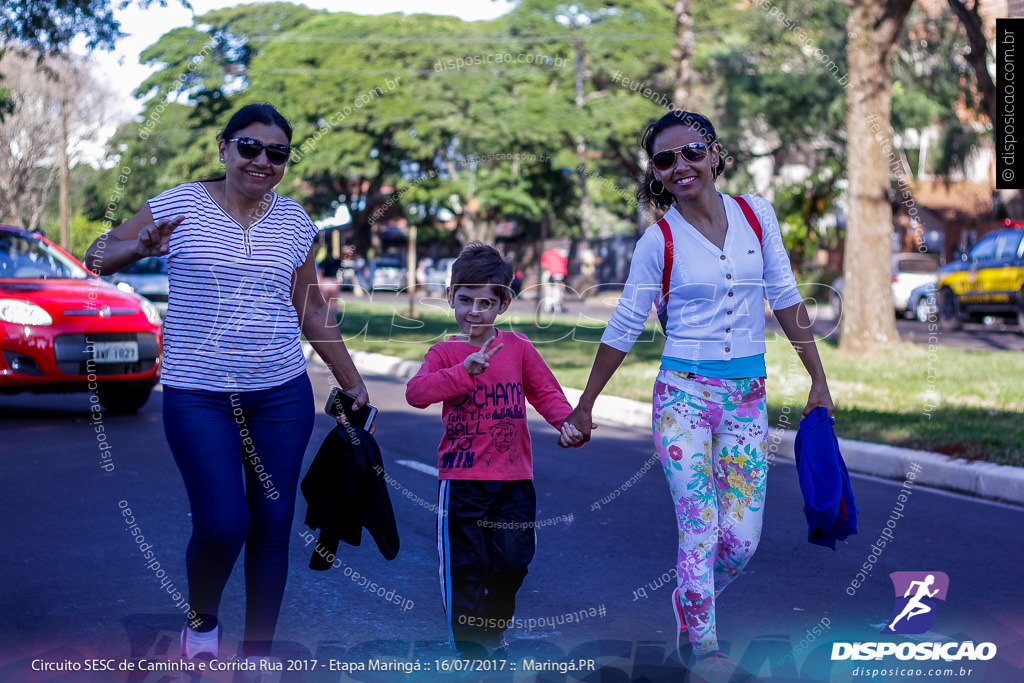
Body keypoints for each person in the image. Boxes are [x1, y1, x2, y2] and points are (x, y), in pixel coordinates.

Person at [84, 103, 370, 666]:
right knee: (222, 523)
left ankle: (258, 656)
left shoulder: (294, 222)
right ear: (224, 148)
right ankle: (203, 627)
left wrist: (353, 381)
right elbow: (97, 256)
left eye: (277, 152)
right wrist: (137, 248)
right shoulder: (182, 203)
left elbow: (309, 309)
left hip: (281, 394)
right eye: (250, 147)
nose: (262, 160)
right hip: (200, 394)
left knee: (272, 524)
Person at [563, 110, 834, 680]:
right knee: (701, 525)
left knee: (742, 540)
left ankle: (690, 600)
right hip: (683, 397)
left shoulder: (756, 215)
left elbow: (784, 295)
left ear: (715, 153)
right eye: (665, 160)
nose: (680, 166)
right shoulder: (657, 243)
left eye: (691, 152)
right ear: (656, 175)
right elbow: (624, 326)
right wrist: (585, 404)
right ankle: (704, 644)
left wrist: (817, 377)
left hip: (747, 398)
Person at [404, 242, 584, 656]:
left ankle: (492, 627)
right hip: (463, 480)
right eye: (464, 300)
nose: (473, 311)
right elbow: (416, 393)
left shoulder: (518, 347)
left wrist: (567, 423)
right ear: (451, 297)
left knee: (512, 562)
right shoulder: (444, 352)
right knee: (466, 568)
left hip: (514, 479)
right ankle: (470, 650)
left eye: (485, 302)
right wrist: (461, 372)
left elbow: (546, 392)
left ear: (503, 304)